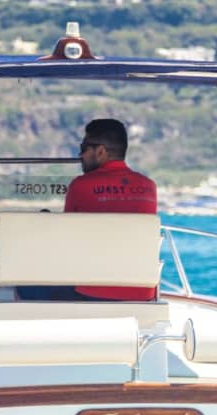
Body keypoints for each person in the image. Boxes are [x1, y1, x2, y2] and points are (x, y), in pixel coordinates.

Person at [64, 118, 157, 301]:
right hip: (142, 293)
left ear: (100, 151)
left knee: (22, 285)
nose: (80, 155)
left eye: (83, 148)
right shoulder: (149, 186)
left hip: (90, 292)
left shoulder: (80, 186)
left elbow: (66, 241)